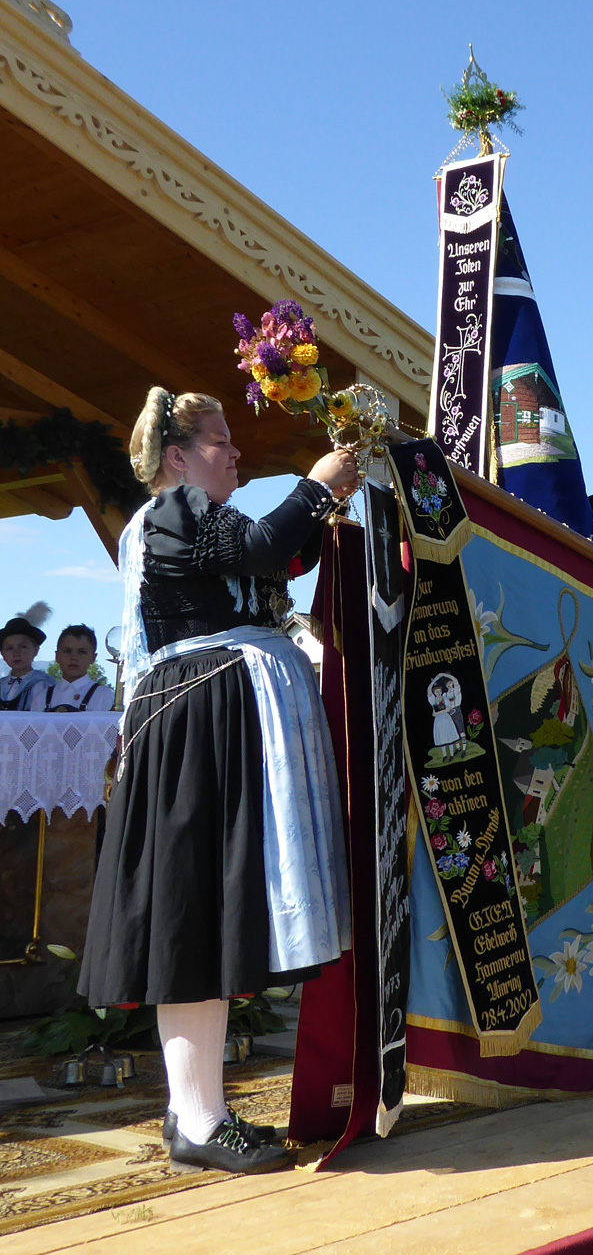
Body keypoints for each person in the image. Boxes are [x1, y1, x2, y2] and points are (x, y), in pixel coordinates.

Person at [78, 386, 359, 1173]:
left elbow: (280, 556)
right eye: (220, 442)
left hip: (217, 728)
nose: (235, 454)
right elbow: (268, 548)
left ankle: (197, 1111)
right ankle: (195, 1120)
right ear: (176, 457)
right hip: (194, 731)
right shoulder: (172, 513)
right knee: (193, 912)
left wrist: (333, 496)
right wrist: (317, 483)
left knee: (212, 911)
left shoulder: (208, 521)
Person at [44, 625, 115, 712]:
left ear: (93, 658)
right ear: (57, 656)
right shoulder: (42, 697)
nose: (74, 658)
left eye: (82, 652)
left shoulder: (103, 696)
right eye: (67, 651)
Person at [0, 606, 55, 711]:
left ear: (36, 650)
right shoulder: (1, 685)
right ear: (2, 654)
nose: (16, 653)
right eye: (9, 648)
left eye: (23, 647)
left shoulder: (43, 685)